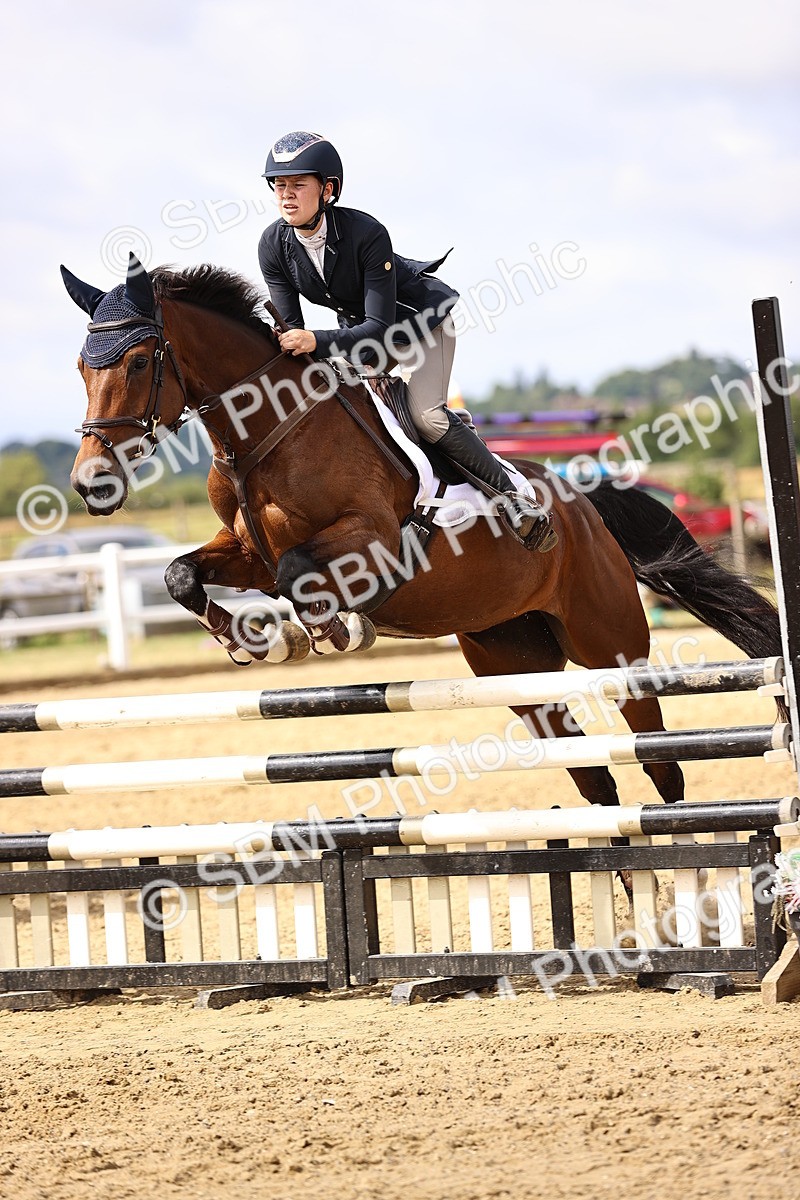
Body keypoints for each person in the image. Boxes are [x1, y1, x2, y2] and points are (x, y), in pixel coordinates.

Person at [257, 131, 555, 552]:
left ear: (328, 190)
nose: (286, 196)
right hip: (359, 333)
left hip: (418, 325)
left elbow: (378, 330)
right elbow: (291, 332)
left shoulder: (366, 232)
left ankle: (514, 498)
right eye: (279, 186)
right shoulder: (273, 245)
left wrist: (316, 341)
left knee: (426, 417)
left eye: (297, 185)